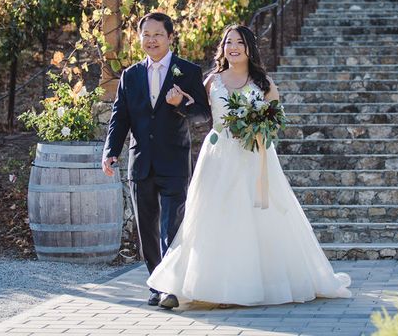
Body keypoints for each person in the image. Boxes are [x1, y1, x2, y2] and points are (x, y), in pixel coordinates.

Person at [147, 24, 352, 307]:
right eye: (228, 42)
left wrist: (258, 129)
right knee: (212, 218)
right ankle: (200, 286)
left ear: (249, 48)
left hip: (254, 156)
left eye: (239, 43)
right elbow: (198, 113)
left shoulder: (264, 83)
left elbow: (275, 118)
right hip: (218, 156)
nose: (233, 47)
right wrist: (179, 102)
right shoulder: (211, 81)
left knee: (255, 217)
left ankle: (255, 285)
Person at [102, 12, 210, 309]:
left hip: (174, 160)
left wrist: (182, 104)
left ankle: (172, 285)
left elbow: (202, 114)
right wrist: (111, 150)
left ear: (170, 37)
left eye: (157, 34)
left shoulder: (187, 71)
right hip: (141, 161)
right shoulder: (131, 74)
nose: (151, 40)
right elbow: (119, 117)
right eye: (146, 34)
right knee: (146, 227)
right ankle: (156, 284)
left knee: (171, 226)